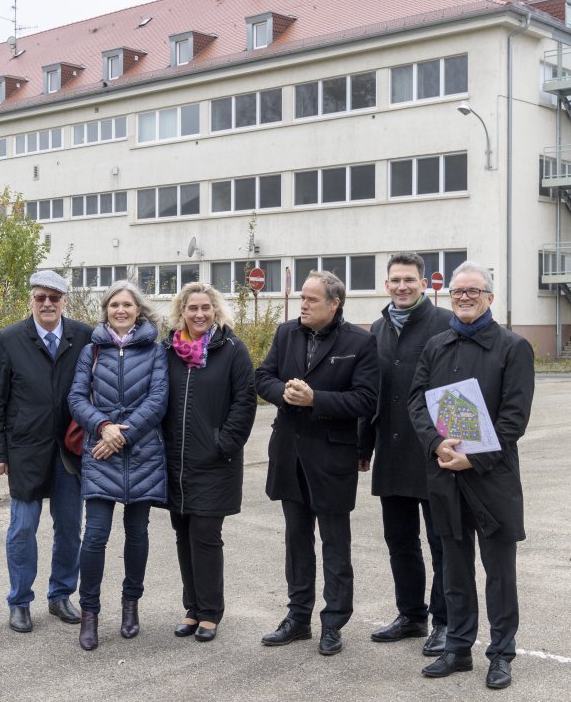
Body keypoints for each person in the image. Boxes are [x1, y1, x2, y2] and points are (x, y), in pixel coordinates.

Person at [408, 261, 535, 690]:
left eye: (473, 291)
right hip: (446, 475)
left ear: (489, 298)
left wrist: (474, 459)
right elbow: (417, 402)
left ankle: (501, 654)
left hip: (492, 479)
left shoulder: (513, 348)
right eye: (458, 291)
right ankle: (458, 649)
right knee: (455, 572)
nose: (464, 297)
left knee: (499, 574)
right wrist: (435, 444)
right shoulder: (435, 346)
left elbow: (514, 420)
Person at [255, 271, 378, 656]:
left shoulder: (361, 342)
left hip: (331, 456)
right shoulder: (285, 333)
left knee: (335, 544)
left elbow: (365, 400)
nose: (302, 305)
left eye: (311, 299)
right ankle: (298, 618)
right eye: (302, 298)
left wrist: (316, 400)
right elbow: (262, 377)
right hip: (289, 453)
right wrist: (284, 393)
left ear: (334, 303)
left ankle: (334, 622)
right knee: (296, 541)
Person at [0, 270, 93, 634]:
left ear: (65, 300)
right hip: (25, 449)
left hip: (70, 449)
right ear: (31, 300)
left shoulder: (84, 336)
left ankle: (61, 594)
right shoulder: (12, 338)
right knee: (22, 528)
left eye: (54, 297)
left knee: (68, 527)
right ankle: (19, 601)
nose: (47, 304)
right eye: (40, 297)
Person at [358, 253, 452, 655]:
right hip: (391, 451)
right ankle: (412, 615)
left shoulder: (446, 324)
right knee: (400, 539)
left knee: (442, 542)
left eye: (409, 280)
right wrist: (364, 446)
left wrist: (456, 445)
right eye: (395, 280)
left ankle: (446, 621)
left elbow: (456, 387)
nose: (402, 286)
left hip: (433, 451)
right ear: (386, 284)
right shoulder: (377, 329)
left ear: (425, 283)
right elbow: (369, 393)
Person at [67, 280, 168, 651]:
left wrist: (122, 436)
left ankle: (131, 606)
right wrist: (104, 428)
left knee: (137, 534)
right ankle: (89, 613)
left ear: (138, 310)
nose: (120, 310)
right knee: (94, 536)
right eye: (114, 305)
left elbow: (159, 400)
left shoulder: (156, 351)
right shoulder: (92, 350)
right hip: (100, 453)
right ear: (106, 311)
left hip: (142, 453)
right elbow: (76, 398)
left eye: (127, 304)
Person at [161, 282, 257, 642]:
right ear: (181, 312)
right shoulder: (168, 349)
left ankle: (211, 611)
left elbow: (244, 402)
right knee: (182, 534)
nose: (199, 314)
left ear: (216, 310)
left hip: (214, 462)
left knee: (205, 535)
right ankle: (192, 608)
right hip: (176, 462)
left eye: (206, 308)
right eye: (192, 308)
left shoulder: (232, 350)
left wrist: (223, 444)